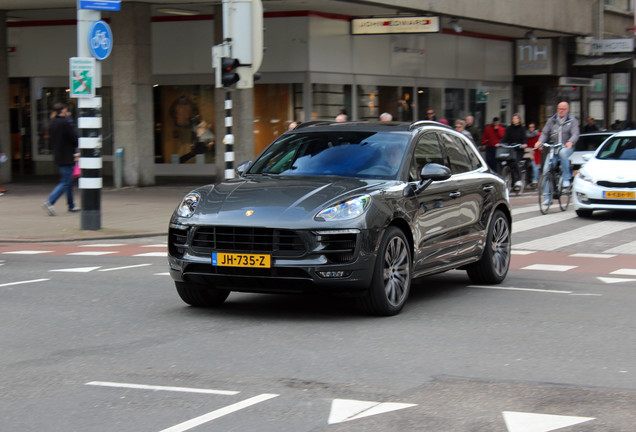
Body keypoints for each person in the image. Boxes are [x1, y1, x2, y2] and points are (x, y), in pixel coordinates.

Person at [42, 102, 80, 216]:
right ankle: (50, 201)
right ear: (63, 111)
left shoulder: (52, 123)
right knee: (66, 182)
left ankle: (71, 205)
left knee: (68, 181)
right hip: (67, 155)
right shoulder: (65, 123)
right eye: (66, 110)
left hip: (58, 155)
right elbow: (74, 138)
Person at [535, 101, 580, 188]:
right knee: (546, 169)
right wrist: (540, 141)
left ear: (567, 110)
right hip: (554, 149)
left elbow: (575, 134)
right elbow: (545, 133)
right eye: (559, 109)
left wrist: (571, 141)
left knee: (563, 153)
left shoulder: (572, 120)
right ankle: (547, 196)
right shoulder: (551, 120)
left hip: (566, 147)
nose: (561, 111)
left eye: (563, 109)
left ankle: (566, 178)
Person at [499, 113, 527, 189]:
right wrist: (500, 143)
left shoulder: (522, 128)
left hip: (519, 149)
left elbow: (524, 138)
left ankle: (519, 180)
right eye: (514, 119)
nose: (515, 120)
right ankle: (507, 178)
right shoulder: (509, 128)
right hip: (510, 149)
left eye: (516, 118)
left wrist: (524, 144)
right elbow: (505, 137)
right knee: (505, 162)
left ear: (519, 120)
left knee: (516, 162)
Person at [526, 122, 542, 186]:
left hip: (536, 152)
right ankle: (528, 180)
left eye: (532, 127)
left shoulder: (538, 135)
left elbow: (541, 141)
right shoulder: (526, 135)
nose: (531, 128)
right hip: (528, 152)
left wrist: (540, 146)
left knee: (535, 165)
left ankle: (535, 180)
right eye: (530, 127)